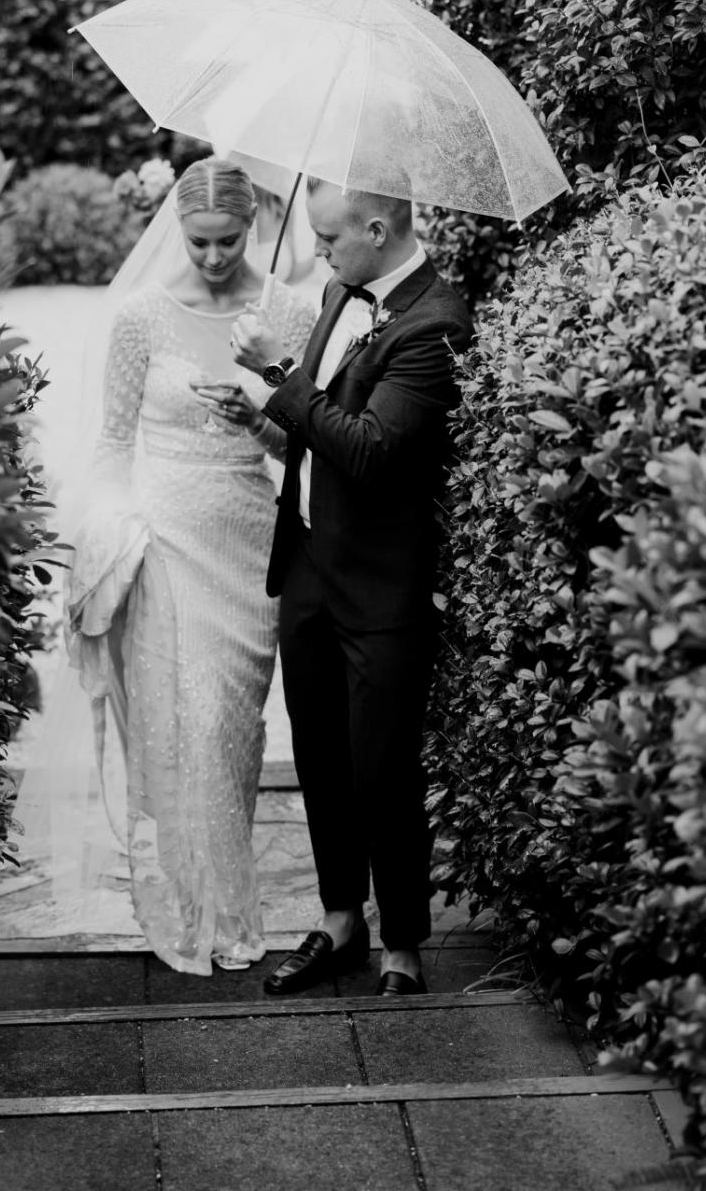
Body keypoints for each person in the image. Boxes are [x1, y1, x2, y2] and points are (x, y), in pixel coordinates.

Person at [58, 157, 316, 975]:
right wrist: (106, 527)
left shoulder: (288, 313)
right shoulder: (140, 318)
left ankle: (221, 892)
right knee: (186, 725)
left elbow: (303, 444)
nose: (211, 256)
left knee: (233, 730)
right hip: (164, 540)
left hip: (247, 542)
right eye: (198, 240)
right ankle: (207, 912)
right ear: (177, 228)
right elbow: (110, 441)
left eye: (228, 240)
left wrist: (260, 409)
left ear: (255, 229)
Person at [230, 178, 472, 996]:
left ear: (377, 228)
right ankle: (340, 919)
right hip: (306, 566)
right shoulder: (341, 291)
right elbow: (314, 436)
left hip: (379, 588)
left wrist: (273, 370)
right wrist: (260, 418)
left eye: (330, 238)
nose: (321, 253)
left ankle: (403, 939)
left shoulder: (437, 323)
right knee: (321, 756)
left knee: (382, 767)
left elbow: (369, 450)